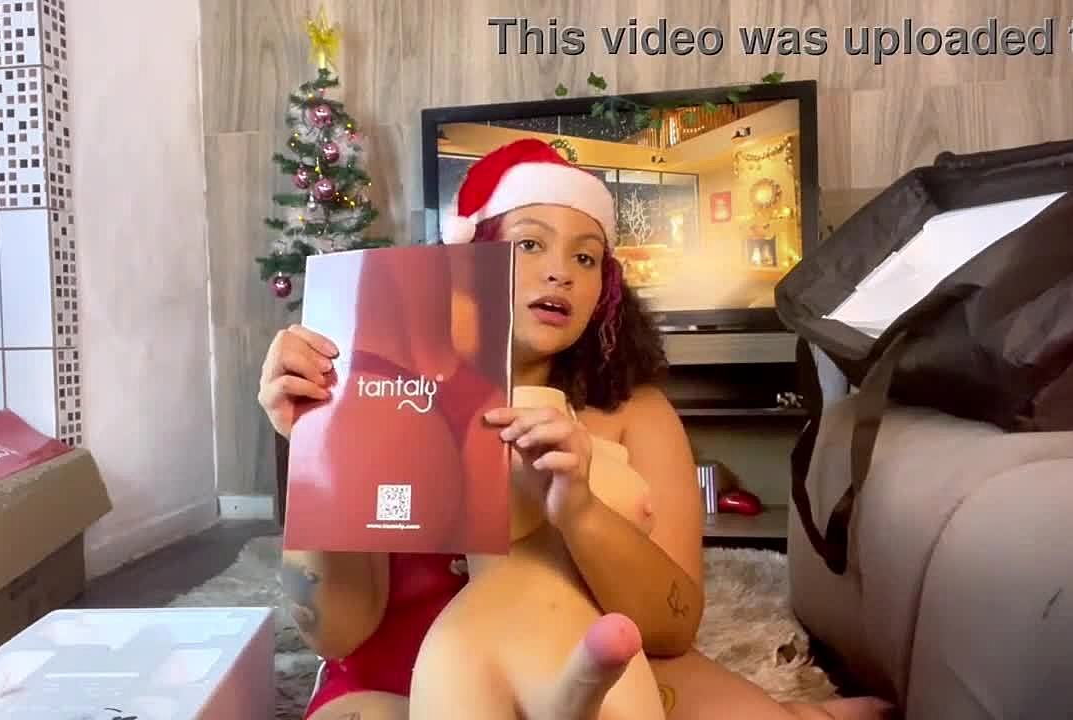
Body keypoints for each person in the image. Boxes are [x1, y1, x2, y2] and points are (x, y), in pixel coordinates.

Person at [259, 138, 895, 720]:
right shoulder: (383, 391)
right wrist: (319, 454)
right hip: (398, 683)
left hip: (581, 663)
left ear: (604, 291)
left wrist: (581, 511)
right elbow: (335, 633)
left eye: (586, 257)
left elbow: (672, 628)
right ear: (470, 260)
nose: (561, 271)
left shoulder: (637, 414)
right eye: (529, 244)